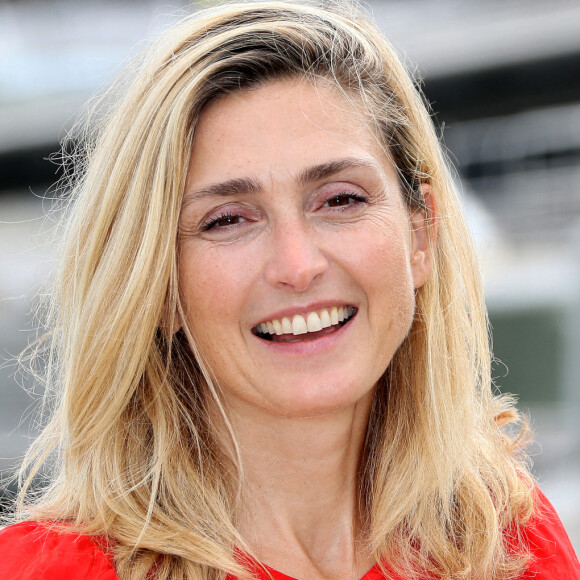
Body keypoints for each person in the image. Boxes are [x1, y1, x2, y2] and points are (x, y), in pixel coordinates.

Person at [0, 1, 579, 579]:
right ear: (158, 285)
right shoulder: (49, 570)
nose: (297, 266)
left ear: (419, 234)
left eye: (341, 200)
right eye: (228, 219)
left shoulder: (508, 542)